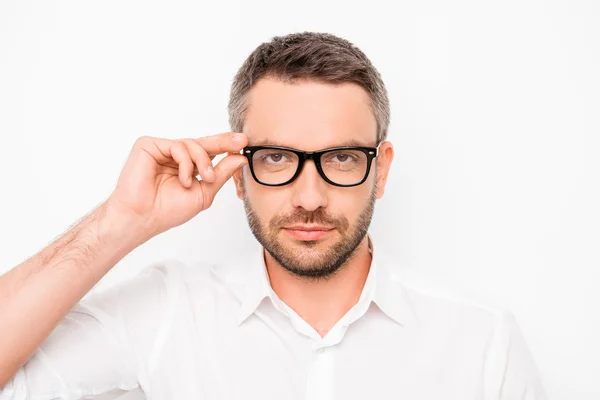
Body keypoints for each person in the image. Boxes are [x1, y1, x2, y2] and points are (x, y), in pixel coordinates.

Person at [0, 31, 547, 399]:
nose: (309, 196)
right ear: (238, 172)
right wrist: (121, 220)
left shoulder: (481, 341)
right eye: (278, 158)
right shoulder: (167, 313)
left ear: (380, 171)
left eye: (340, 158)